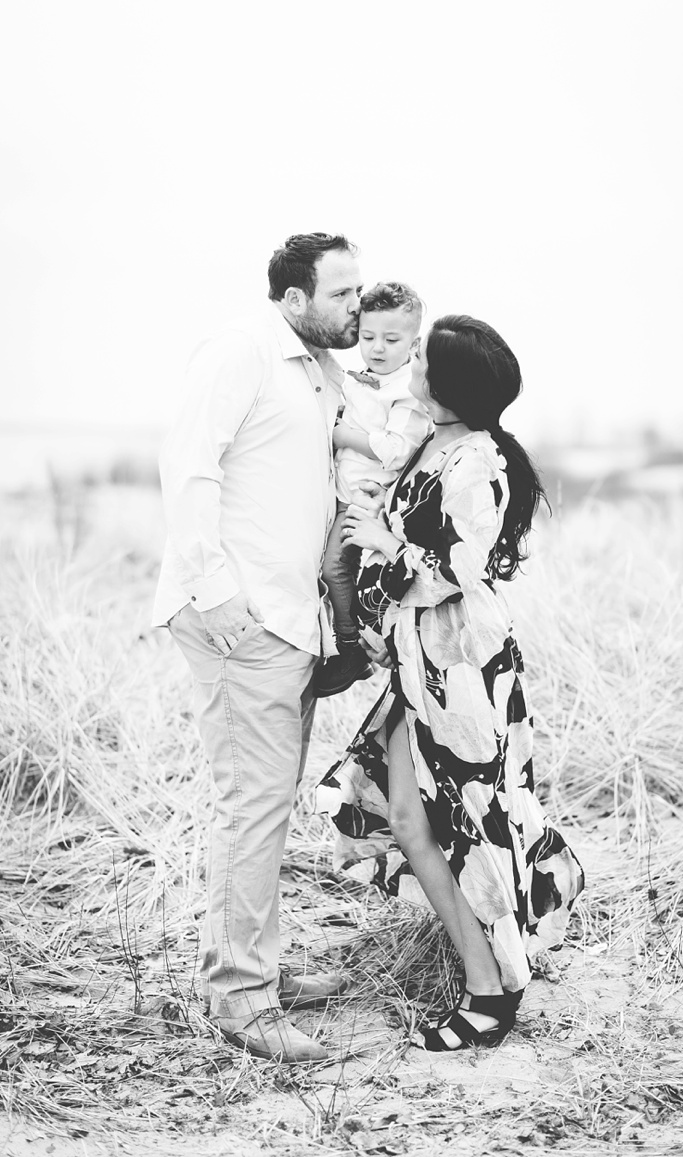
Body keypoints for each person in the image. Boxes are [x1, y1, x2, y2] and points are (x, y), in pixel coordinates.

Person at [316, 315, 585, 1051]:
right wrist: (372, 612)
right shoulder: (429, 441)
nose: (411, 363)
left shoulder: (481, 462)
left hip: (461, 667)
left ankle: (490, 991)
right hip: (416, 661)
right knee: (408, 819)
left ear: (449, 381)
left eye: (424, 359)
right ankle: (486, 976)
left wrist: (383, 546)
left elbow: (459, 569)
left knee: (465, 822)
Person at [153, 232, 364, 1063]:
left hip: (290, 621)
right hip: (241, 621)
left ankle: (252, 967)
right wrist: (219, 594)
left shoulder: (321, 375)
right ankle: (241, 999)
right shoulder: (241, 353)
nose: (356, 305)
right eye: (343, 294)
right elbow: (189, 465)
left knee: (264, 805)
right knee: (254, 806)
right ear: (293, 298)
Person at [315, 281, 432, 698]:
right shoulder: (356, 379)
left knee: (336, 568)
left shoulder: (408, 392)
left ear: (413, 343)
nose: (377, 348)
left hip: (369, 499)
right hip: (338, 491)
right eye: (367, 337)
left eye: (391, 339)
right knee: (329, 571)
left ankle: (353, 648)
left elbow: (396, 452)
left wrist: (342, 435)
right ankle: (348, 639)